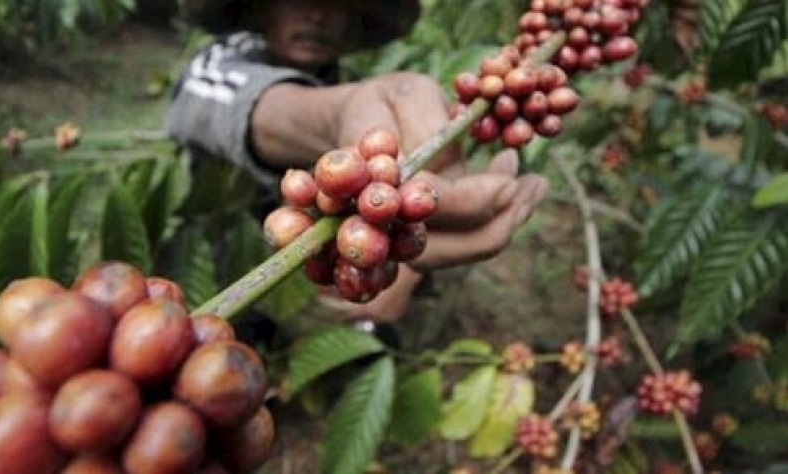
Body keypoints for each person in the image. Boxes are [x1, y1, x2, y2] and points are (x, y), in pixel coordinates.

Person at [165, 0, 549, 323]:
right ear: (262, 7)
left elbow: (402, 213)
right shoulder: (220, 60)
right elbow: (243, 107)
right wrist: (339, 112)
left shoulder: (345, 76)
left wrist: (403, 267)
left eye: (338, 2)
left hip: (324, 285)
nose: (318, 15)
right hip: (229, 268)